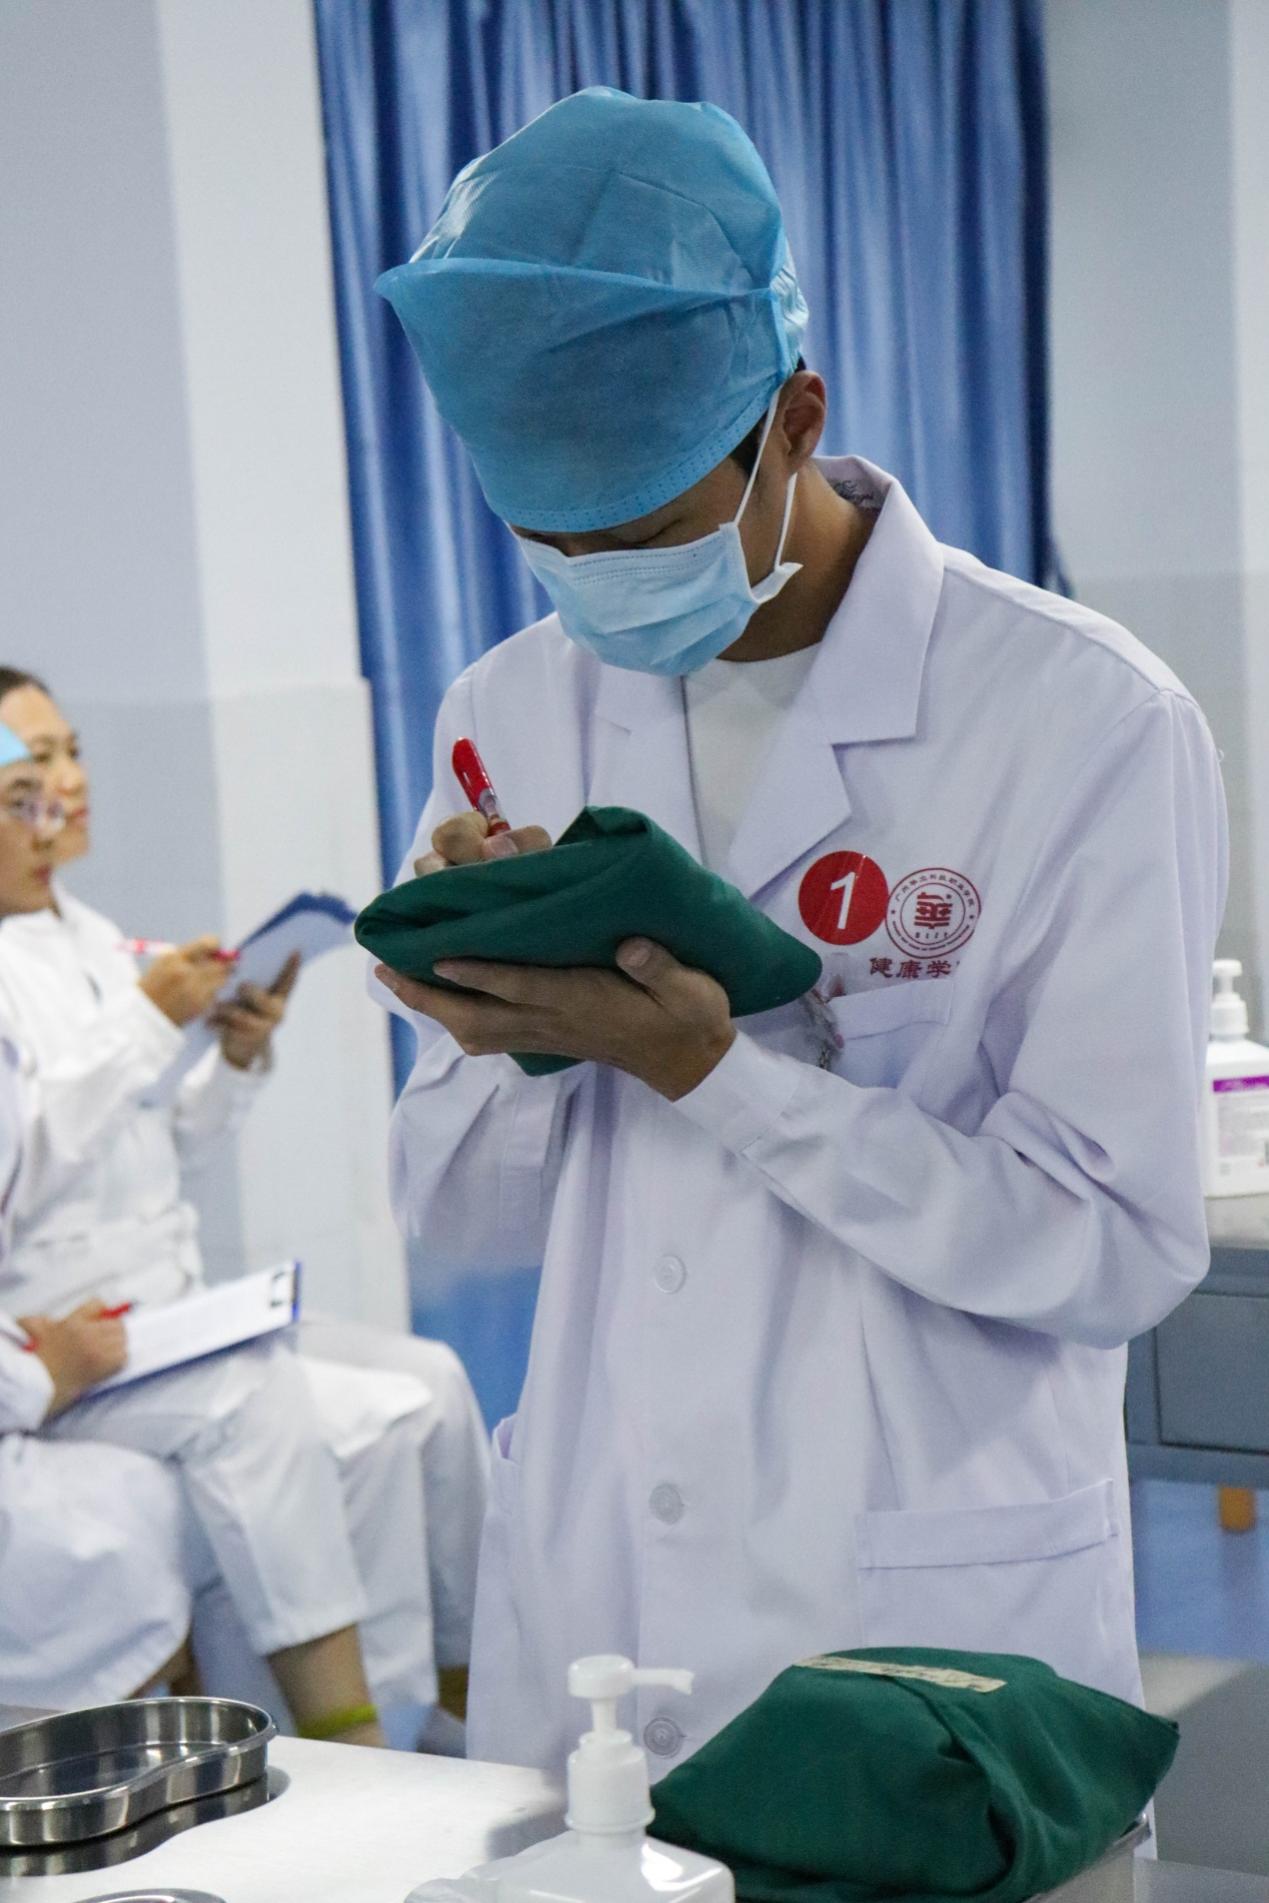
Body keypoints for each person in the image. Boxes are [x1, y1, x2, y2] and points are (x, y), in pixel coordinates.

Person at [369, 88, 1227, 1775]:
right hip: (603, 1582)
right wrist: (498, 1031)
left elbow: (1116, 1246)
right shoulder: (508, 706)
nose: (602, 588)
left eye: (644, 530)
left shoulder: (1077, 717)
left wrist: (719, 1074)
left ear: (796, 419)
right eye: (552, 542)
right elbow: (459, 1216)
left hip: (916, 1581)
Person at [0, 668, 490, 1738]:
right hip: (68, 1334)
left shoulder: (91, 939)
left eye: (71, 752)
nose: (68, 784)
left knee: (429, 1384)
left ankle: (469, 1704)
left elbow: (157, 1148)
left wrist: (232, 1058)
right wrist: (142, 1021)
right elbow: (24, 1166)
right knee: (248, 1396)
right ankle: (346, 1734)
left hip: (162, 1315)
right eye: (31, 770)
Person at [0, 727, 195, 1709]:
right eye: (20, 794)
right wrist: (37, 1371)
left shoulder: (84, 939)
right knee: (131, 1523)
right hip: (45, 1378)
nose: (52, 810)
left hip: (75, 1345)